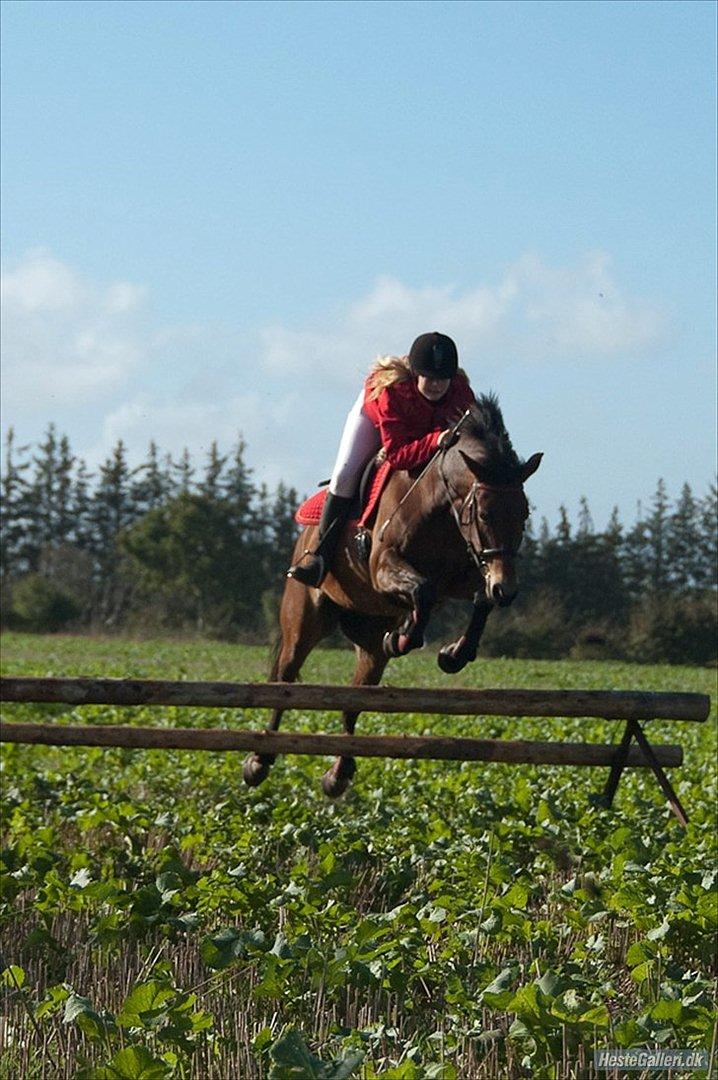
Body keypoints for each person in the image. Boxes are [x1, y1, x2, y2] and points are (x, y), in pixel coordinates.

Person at [287, 331, 476, 587]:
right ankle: (320, 558)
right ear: (415, 374)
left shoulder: (462, 396)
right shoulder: (392, 392)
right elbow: (398, 455)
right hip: (377, 420)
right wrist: (434, 440)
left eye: (442, 380)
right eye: (429, 379)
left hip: (425, 429)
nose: (436, 385)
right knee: (345, 476)